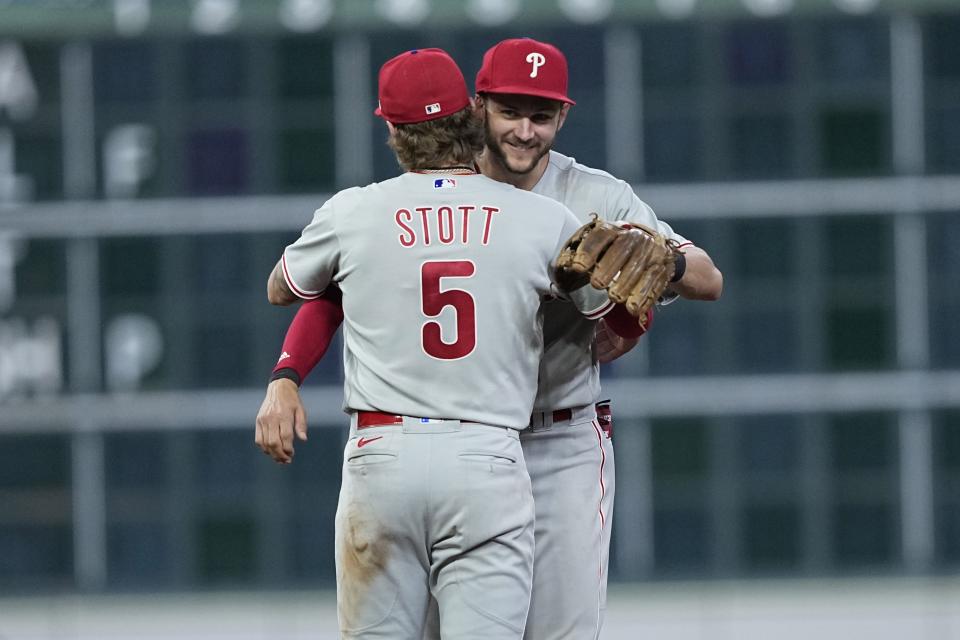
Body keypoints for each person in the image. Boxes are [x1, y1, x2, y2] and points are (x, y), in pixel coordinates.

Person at [257, 39, 723, 639]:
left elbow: (706, 278)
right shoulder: (466, 194)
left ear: (564, 115)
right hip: (477, 442)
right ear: (477, 109)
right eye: (510, 112)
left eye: (542, 114)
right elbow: (339, 292)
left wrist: (660, 267)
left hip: (556, 437)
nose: (526, 130)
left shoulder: (591, 193)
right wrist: (286, 373)